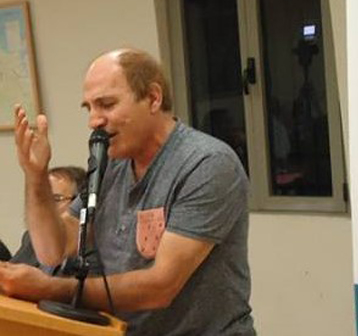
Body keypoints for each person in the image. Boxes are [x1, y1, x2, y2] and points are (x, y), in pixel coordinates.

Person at [0, 48, 255, 336]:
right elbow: (52, 250)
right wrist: (35, 176)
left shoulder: (207, 164)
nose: (94, 121)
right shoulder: (112, 165)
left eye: (106, 104)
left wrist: (50, 289)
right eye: (89, 108)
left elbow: (160, 287)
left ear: (153, 98)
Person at [10, 166, 85, 270]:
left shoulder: (89, 243)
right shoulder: (32, 239)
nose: (45, 207)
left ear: (78, 203)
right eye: (43, 200)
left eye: (56, 199)